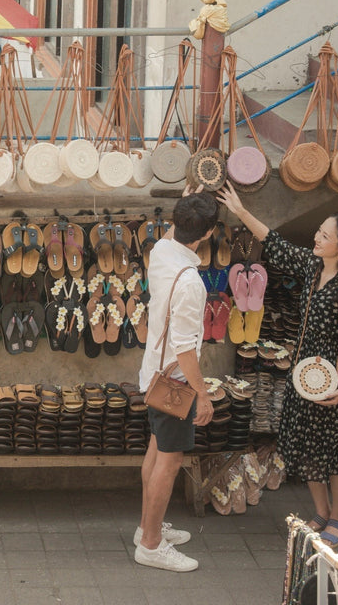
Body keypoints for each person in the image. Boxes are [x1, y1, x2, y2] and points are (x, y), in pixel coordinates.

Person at [217, 184, 338, 548]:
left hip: (330, 381)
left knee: (334, 454)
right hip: (303, 376)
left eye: (325, 236)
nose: (317, 238)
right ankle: (320, 513)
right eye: (319, 231)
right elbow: (275, 243)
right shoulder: (313, 266)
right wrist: (240, 210)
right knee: (303, 447)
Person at [135, 190, 219, 572]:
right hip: (176, 381)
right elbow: (186, 348)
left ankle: (146, 529)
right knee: (169, 463)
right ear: (207, 234)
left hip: (153, 371)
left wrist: (189, 198)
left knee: (156, 453)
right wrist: (203, 396)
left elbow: (177, 227)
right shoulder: (191, 284)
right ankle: (151, 545)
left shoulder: (162, 251)